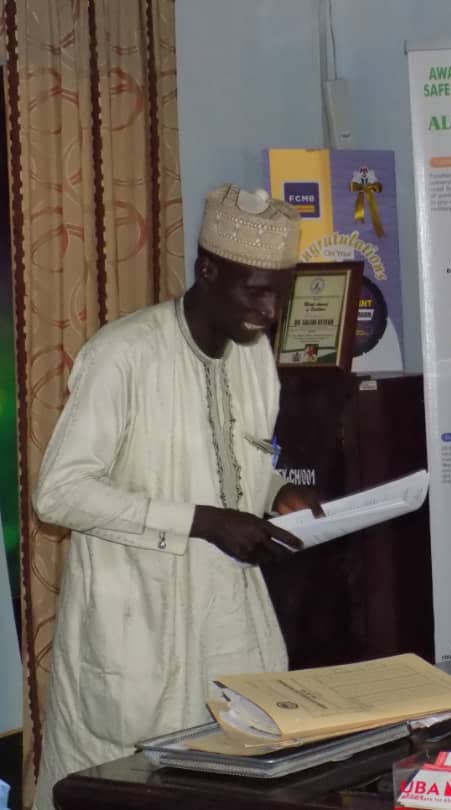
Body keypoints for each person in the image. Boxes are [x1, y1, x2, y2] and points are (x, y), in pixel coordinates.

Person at [31, 184, 325, 809]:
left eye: (280, 292)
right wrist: (200, 522)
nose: (270, 310)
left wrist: (280, 494)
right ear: (207, 271)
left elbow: (241, 464)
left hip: (230, 624)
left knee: (234, 789)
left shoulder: (254, 356)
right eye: (256, 291)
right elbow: (58, 493)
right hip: (138, 628)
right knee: (124, 792)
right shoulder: (122, 354)